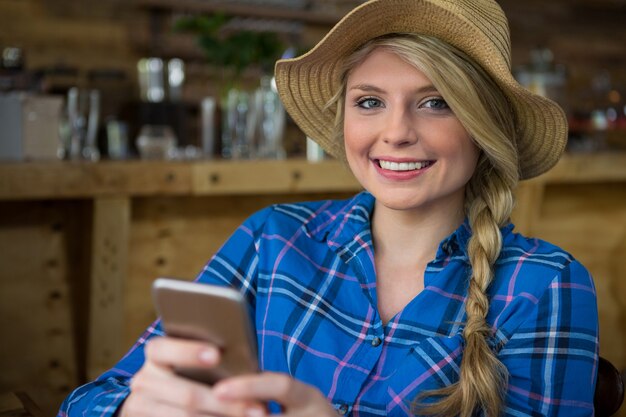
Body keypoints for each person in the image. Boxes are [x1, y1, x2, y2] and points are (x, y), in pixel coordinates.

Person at [58, 0, 599, 416]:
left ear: (483, 128)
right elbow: (88, 400)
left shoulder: (544, 285)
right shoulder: (271, 239)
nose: (396, 133)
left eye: (437, 102)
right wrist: (135, 405)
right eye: (369, 102)